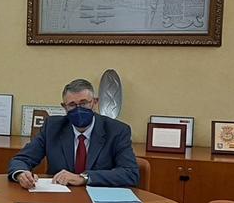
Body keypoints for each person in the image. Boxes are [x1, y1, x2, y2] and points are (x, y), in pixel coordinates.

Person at [8, 78, 138, 189]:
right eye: (72, 105)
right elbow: (21, 159)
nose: (78, 109)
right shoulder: (52, 127)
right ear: (64, 106)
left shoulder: (117, 130)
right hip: (60, 201)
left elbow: (130, 173)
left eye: (83, 103)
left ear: (94, 102)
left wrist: (84, 178)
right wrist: (21, 174)